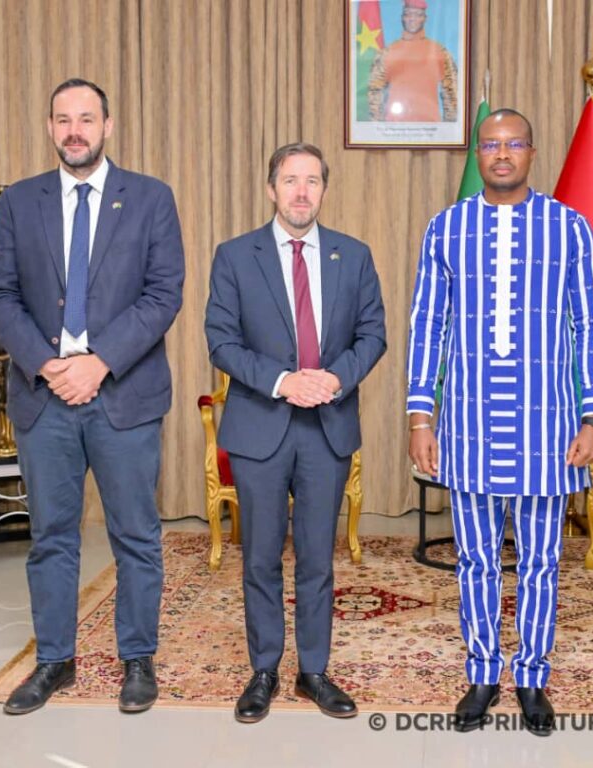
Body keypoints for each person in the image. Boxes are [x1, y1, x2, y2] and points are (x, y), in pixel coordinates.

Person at [0, 78, 185, 715]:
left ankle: (137, 660)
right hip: (45, 400)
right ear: (49, 128)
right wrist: (47, 365)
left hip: (123, 395)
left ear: (109, 125)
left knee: (136, 536)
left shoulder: (150, 198)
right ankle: (53, 662)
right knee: (53, 538)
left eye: (87, 118)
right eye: (64, 119)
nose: (75, 130)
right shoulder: (20, 201)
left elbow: (163, 293)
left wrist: (99, 363)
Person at [406, 109, 593, 736]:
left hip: (547, 430)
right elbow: (427, 325)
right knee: (475, 560)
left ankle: (533, 678)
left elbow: (592, 324)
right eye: (490, 145)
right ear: (477, 154)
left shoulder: (570, 228)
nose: (501, 154)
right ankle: (481, 672)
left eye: (513, 143)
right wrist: (421, 413)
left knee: (543, 561)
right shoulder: (446, 228)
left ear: (531, 151)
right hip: (467, 428)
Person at [205, 143, 386, 723]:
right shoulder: (235, 256)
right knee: (259, 556)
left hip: (326, 429)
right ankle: (264, 669)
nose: (301, 191)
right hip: (261, 427)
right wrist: (284, 381)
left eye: (311, 181)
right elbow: (222, 341)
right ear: (271, 189)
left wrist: (333, 378)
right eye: (290, 180)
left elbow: (373, 335)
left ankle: (314, 671)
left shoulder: (352, 256)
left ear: (324, 190)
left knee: (316, 558)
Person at [367, 0, 458, 122]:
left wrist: (449, 129)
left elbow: (451, 93)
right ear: (402, 18)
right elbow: (374, 93)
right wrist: (378, 128)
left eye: (417, 15)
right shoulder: (387, 53)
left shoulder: (440, 52)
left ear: (424, 18)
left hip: (431, 132)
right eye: (408, 14)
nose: (412, 19)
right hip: (394, 131)